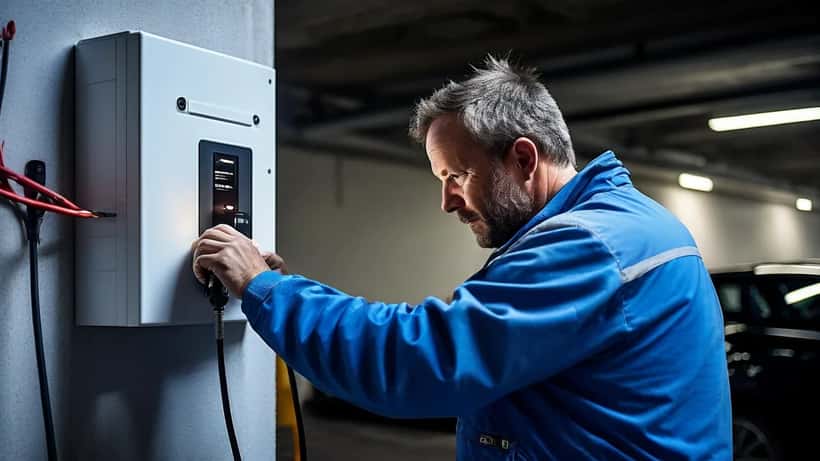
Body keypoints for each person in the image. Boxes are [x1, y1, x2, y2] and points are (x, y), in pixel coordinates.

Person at [193, 56, 732, 460]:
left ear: (522, 158)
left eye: (457, 175)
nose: (447, 200)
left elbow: (417, 360)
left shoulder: (591, 245)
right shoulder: (635, 224)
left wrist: (265, 288)